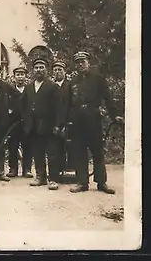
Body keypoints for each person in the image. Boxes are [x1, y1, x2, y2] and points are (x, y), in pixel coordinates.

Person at [65, 52, 124, 194]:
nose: (80, 65)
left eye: (83, 61)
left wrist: (115, 115)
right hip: (77, 122)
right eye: (77, 62)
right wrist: (67, 121)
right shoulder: (72, 82)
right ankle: (82, 183)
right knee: (79, 152)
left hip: (93, 120)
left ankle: (101, 182)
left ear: (88, 63)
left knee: (97, 151)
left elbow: (108, 98)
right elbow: (68, 103)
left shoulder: (98, 79)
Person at [20, 58, 61, 190]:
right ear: (33, 70)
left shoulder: (52, 86)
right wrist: (26, 120)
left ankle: (53, 179)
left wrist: (57, 125)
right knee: (37, 152)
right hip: (33, 126)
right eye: (36, 67)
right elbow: (23, 105)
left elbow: (58, 107)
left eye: (41, 67)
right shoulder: (29, 87)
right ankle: (40, 177)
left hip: (48, 126)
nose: (39, 70)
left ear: (46, 70)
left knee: (52, 153)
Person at [7, 65, 33, 178]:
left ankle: (27, 169)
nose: (20, 77)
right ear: (14, 77)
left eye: (22, 75)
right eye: (18, 75)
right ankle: (13, 168)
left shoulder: (30, 90)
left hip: (26, 123)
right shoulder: (10, 91)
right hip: (13, 123)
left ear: (25, 77)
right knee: (12, 146)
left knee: (27, 146)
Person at [51, 60, 73, 174]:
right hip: (54, 123)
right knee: (55, 148)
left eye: (60, 70)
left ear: (65, 71)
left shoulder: (70, 85)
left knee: (69, 147)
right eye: (55, 70)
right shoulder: (50, 86)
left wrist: (67, 122)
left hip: (67, 121)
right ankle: (57, 172)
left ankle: (69, 170)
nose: (58, 72)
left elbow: (72, 104)